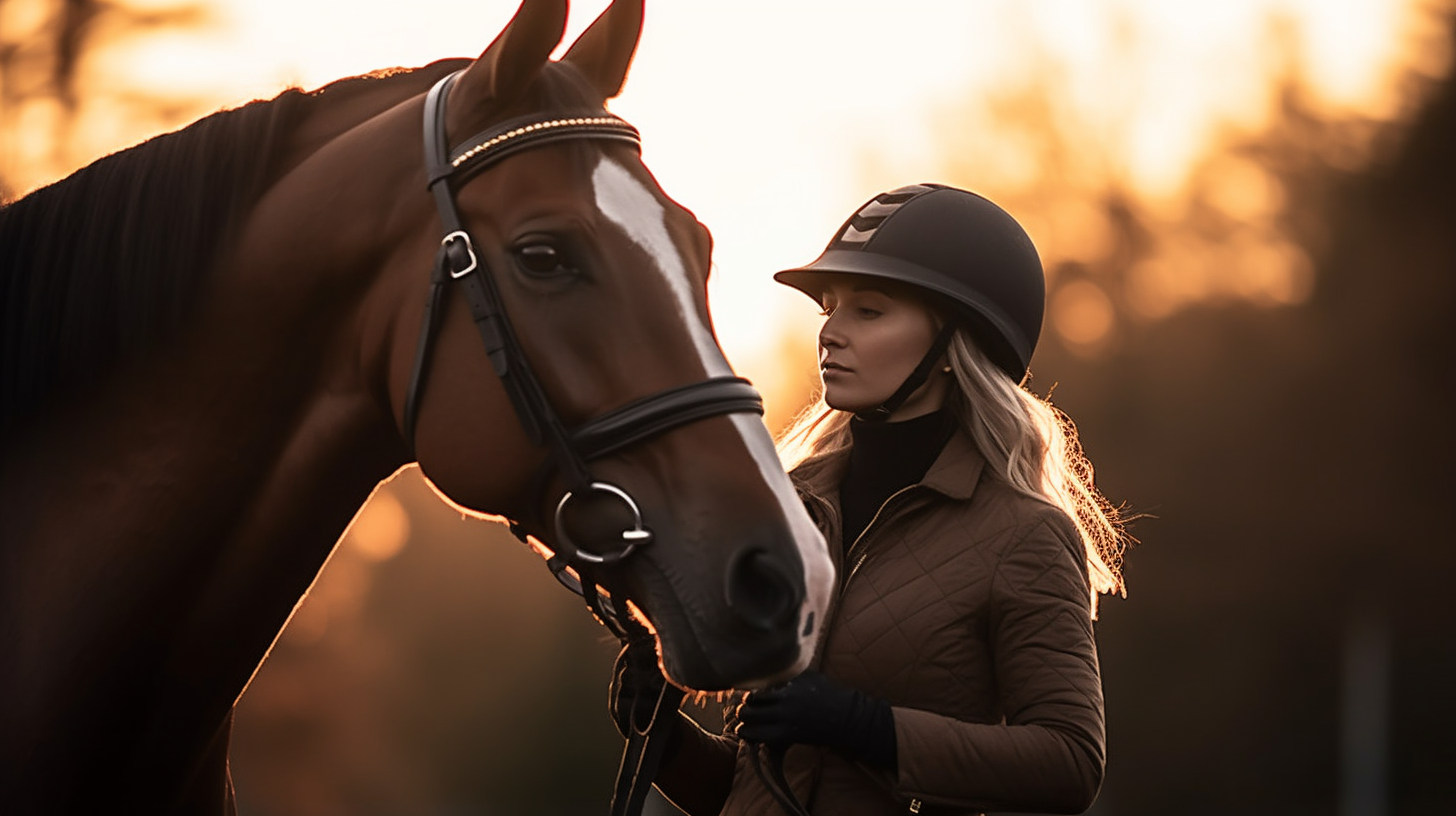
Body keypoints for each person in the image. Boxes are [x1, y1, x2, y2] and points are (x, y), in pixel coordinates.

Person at [609, 183, 1130, 816]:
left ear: (952, 345)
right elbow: (756, 790)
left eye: (869, 311)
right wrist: (667, 743)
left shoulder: (1025, 534)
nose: (830, 332)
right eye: (829, 308)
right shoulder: (789, 509)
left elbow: (1070, 763)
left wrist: (866, 727)